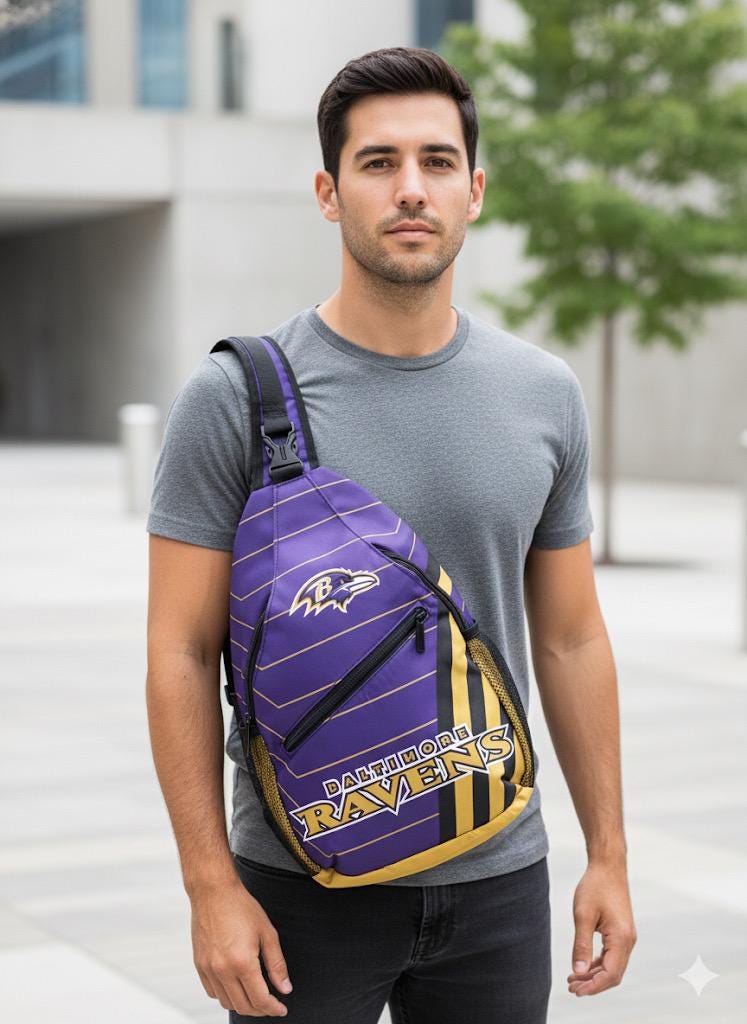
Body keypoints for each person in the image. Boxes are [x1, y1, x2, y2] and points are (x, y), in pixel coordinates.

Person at [145, 45, 636, 1024]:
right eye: (378, 163)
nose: (410, 188)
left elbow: (573, 635)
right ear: (329, 192)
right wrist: (209, 886)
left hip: (499, 872)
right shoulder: (233, 398)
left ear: (475, 188)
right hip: (299, 887)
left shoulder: (543, 395)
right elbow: (178, 649)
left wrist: (610, 855)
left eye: (436, 161)